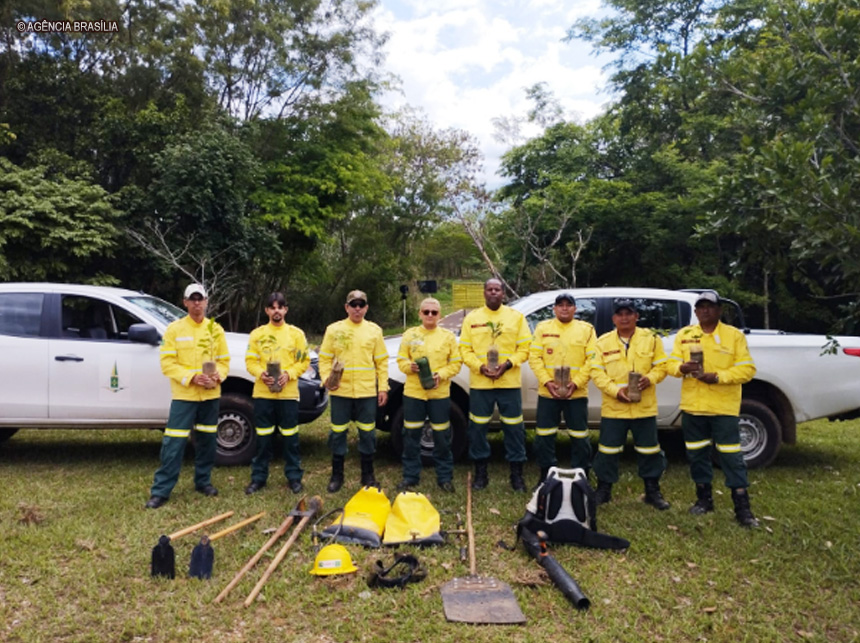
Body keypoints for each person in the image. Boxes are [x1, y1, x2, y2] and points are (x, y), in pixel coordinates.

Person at [666, 290, 760, 527]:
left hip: (722, 408)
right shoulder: (685, 335)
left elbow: (747, 369)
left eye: (710, 306)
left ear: (719, 310)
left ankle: (742, 508)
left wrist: (716, 377)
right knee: (697, 455)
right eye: (701, 307)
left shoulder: (733, 336)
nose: (705, 310)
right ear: (695, 312)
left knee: (731, 457)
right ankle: (703, 500)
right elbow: (671, 364)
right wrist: (681, 368)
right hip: (693, 407)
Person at [145, 283, 229, 509]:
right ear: (184, 302)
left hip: (210, 396)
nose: (196, 303)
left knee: (207, 441)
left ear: (206, 301)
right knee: (174, 443)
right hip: (185, 396)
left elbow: (224, 361)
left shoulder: (216, 330)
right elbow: (167, 364)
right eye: (192, 299)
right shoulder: (174, 330)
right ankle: (161, 491)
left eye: (200, 299)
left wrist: (217, 376)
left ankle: (203, 482)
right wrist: (192, 377)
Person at [590, 298, 670, 509]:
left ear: (637, 316)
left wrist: (650, 379)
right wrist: (615, 391)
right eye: (620, 314)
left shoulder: (651, 339)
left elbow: (662, 367)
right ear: (613, 318)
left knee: (649, 451)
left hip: (644, 407)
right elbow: (596, 372)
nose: (624, 317)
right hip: (614, 408)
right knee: (607, 451)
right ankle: (604, 490)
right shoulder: (602, 342)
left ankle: (652, 491)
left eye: (629, 313)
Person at [459, 278, 532, 491]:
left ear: (503, 293)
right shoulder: (472, 318)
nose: (493, 292)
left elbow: (525, 347)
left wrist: (508, 364)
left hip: (509, 383)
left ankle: (516, 475)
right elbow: (464, 349)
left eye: (497, 289)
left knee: (514, 429)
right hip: (481, 384)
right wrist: (480, 367)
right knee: (478, 429)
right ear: (484, 293)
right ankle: (481, 473)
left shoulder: (516, 318)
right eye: (489, 289)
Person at [318, 290, 389, 493]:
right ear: (346, 307)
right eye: (353, 304)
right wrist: (326, 380)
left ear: (366, 307)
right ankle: (337, 475)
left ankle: (368, 475)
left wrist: (382, 387)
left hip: (366, 392)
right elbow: (324, 359)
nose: (357, 308)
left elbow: (382, 362)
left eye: (361, 304)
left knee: (367, 433)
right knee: (338, 433)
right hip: (341, 392)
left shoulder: (374, 331)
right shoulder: (334, 330)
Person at [243, 292, 311, 495]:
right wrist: (260, 373)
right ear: (266, 310)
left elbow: (304, 361)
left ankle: (294, 478)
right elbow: (250, 361)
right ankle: (258, 478)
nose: (276, 311)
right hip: (263, 394)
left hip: (288, 394)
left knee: (291, 439)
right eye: (272, 307)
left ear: (286, 310)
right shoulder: (257, 334)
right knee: (263, 439)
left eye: (280, 307)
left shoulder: (296, 334)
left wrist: (289, 374)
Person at [527, 292, 597, 485]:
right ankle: (546, 475)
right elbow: (534, 357)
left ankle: (581, 475)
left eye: (568, 304)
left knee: (579, 436)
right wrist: (547, 382)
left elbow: (593, 359)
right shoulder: (543, 328)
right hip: (548, 393)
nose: (564, 308)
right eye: (560, 305)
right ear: (554, 309)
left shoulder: (587, 329)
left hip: (576, 393)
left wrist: (577, 383)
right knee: (544, 435)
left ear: (575, 309)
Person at [395, 298, 462, 493]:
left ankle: (444, 477)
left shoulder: (448, 337)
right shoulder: (410, 335)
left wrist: (441, 375)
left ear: (439, 315)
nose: (430, 315)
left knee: (442, 436)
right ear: (420, 314)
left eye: (434, 312)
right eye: (426, 312)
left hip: (439, 393)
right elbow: (401, 360)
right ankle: (410, 477)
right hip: (414, 393)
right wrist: (410, 367)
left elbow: (456, 363)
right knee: (411, 436)